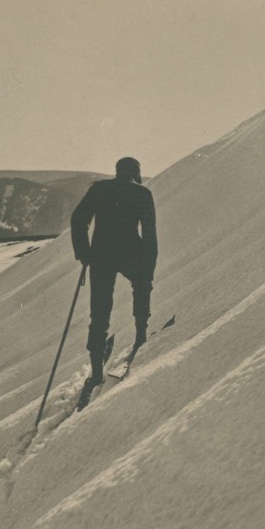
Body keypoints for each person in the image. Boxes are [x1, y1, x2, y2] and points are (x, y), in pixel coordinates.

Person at [70, 156, 158, 385]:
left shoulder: (99, 189)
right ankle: (141, 334)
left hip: (101, 255)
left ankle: (97, 368)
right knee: (142, 287)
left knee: (99, 311)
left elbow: (78, 219)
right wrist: (149, 265)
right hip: (131, 252)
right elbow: (150, 234)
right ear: (135, 173)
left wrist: (84, 252)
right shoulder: (142, 193)